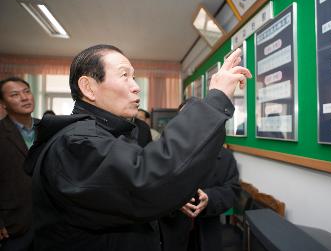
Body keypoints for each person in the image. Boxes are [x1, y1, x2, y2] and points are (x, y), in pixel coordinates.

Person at [24, 44, 251, 251]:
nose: (136, 87)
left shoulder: (103, 134)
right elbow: (146, 180)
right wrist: (216, 99)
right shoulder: (76, 144)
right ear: (89, 87)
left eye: (135, 77)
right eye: (125, 76)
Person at [159, 146, 240, 251]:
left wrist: (209, 198)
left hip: (208, 232)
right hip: (173, 231)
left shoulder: (225, 156)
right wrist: (175, 200)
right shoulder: (166, 152)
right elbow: (153, 189)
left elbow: (233, 191)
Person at [0, 77, 38, 251]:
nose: (24, 98)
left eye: (27, 92)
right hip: (14, 224)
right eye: (15, 94)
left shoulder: (47, 128)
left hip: (51, 222)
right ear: (3, 103)